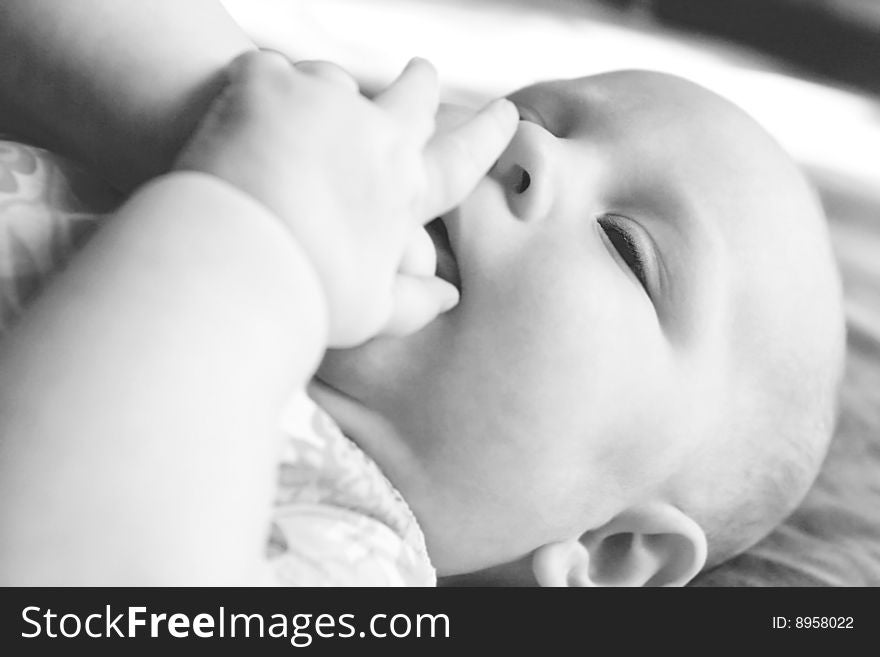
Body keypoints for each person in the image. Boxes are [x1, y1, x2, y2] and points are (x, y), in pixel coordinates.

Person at [0, 0, 845, 586]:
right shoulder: (251, 142)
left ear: (614, 547)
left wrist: (258, 233)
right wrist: (212, 102)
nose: (532, 152)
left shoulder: (350, 550)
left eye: (625, 244)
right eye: (534, 116)